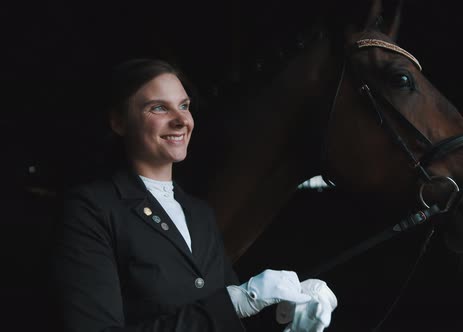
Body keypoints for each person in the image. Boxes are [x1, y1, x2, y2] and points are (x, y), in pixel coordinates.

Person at [52, 59, 337, 332]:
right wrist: (237, 301)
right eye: (159, 108)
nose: (180, 120)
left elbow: (225, 319)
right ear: (119, 122)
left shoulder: (199, 213)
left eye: (184, 106)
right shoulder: (92, 209)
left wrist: (286, 309)